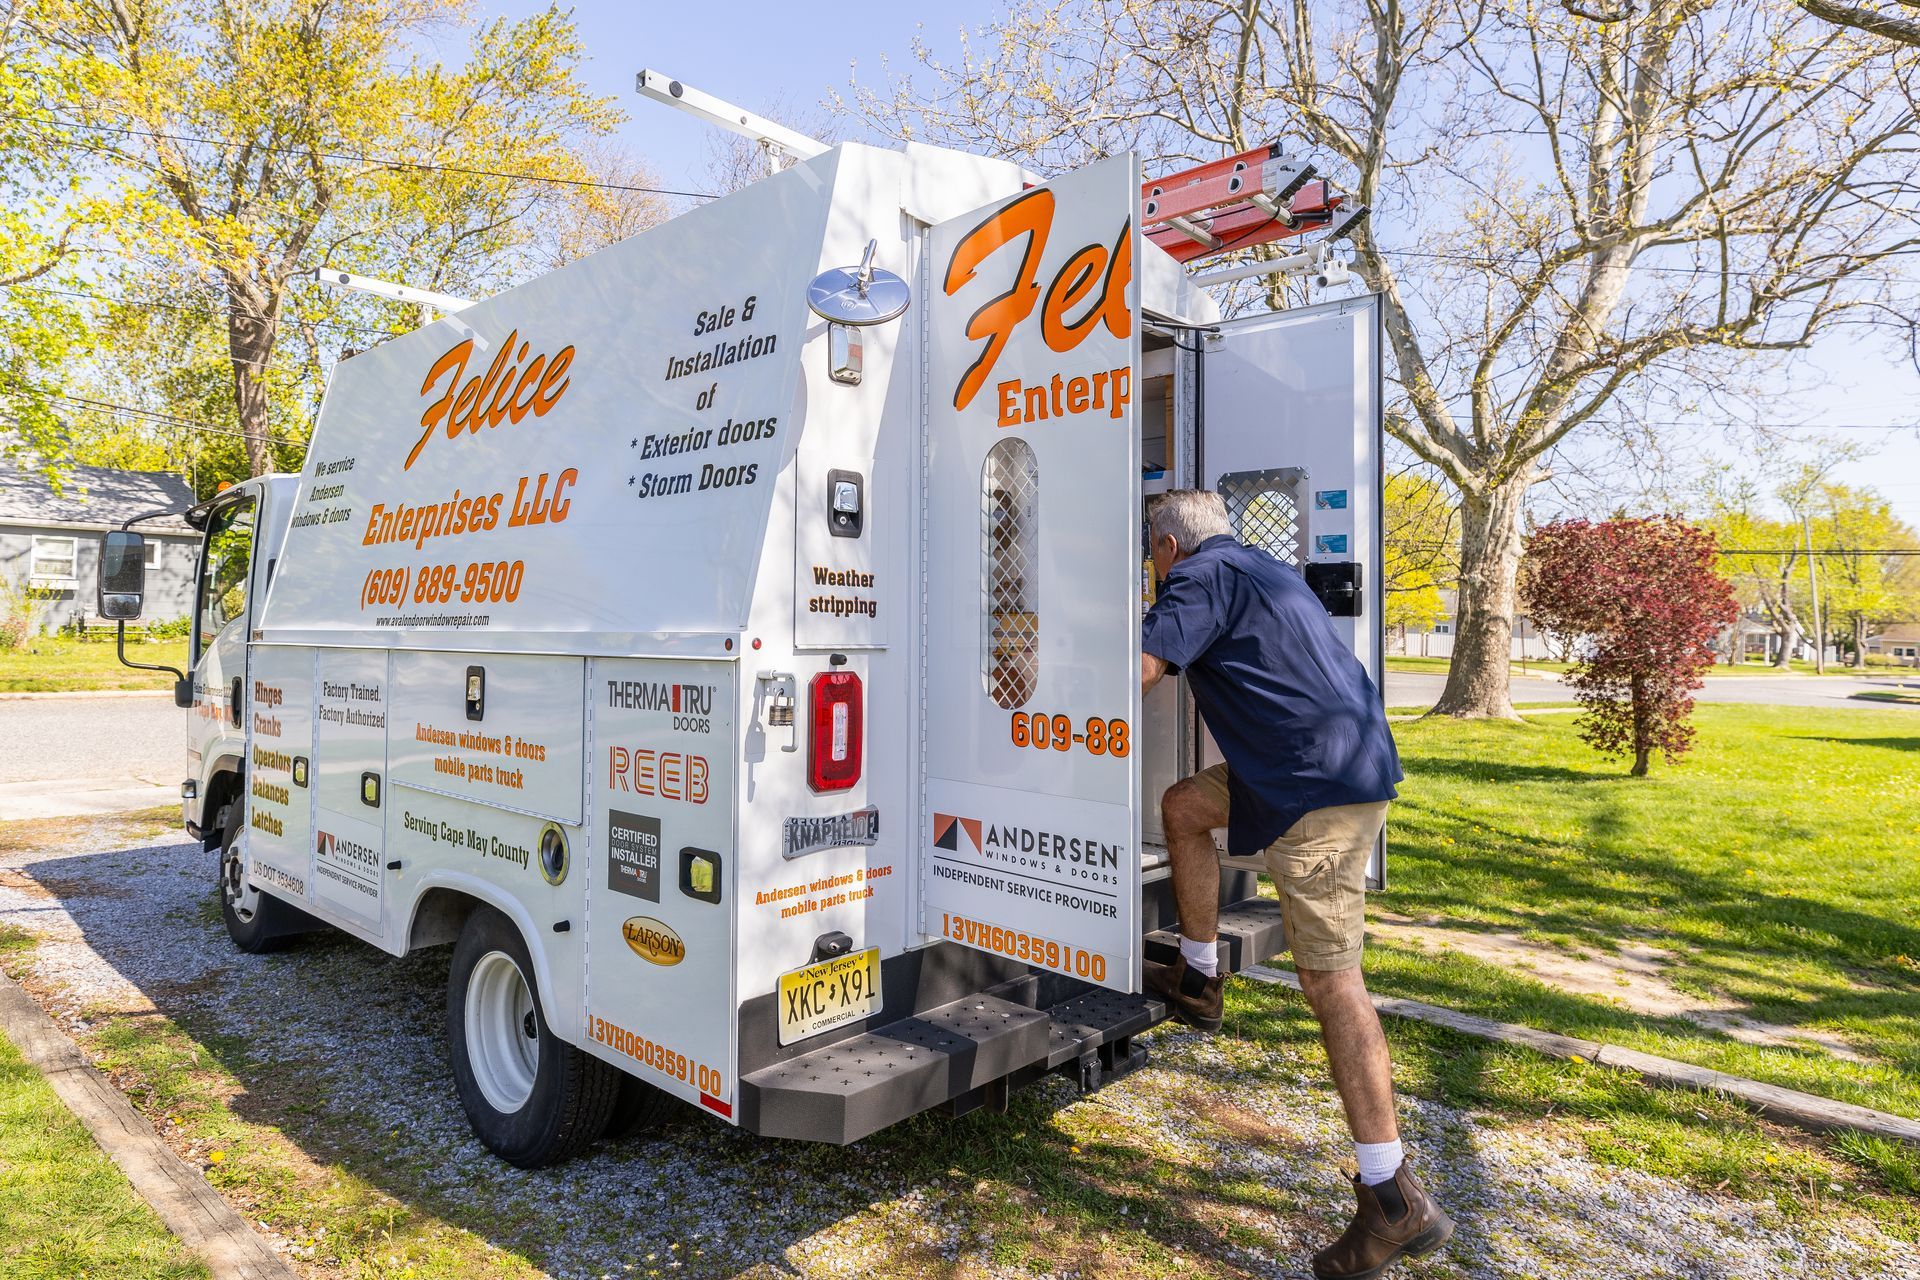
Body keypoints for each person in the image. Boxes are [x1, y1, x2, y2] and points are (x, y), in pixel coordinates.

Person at [1139, 490, 1452, 1280]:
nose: (1152, 566)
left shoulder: (1196, 577)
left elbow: (1142, 668)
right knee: (1183, 806)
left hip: (1313, 790)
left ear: (1168, 547)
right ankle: (1202, 979)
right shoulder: (1262, 569)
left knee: (1332, 983)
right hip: (1324, 764)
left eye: (1151, 553)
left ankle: (1391, 1198)